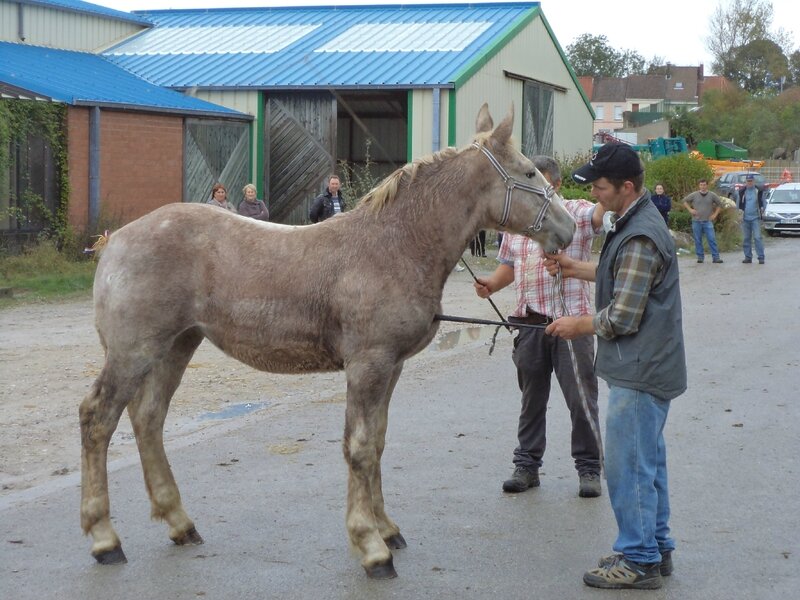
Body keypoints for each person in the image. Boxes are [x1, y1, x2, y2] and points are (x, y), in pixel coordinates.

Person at [543, 143, 686, 590]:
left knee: (627, 466)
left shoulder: (641, 234)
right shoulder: (632, 224)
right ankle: (654, 547)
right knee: (648, 463)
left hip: (640, 371)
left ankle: (639, 559)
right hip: (646, 366)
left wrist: (576, 325)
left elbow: (622, 315)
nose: (597, 196)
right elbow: (618, 272)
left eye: (601, 187)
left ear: (627, 187)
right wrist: (572, 268)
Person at [473, 155, 604, 498]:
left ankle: (589, 469)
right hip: (528, 323)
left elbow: (601, 215)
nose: (536, 192)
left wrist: (608, 188)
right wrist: (490, 283)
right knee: (531, 401)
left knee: (580, 399)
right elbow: (508, 267)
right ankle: (527, 466)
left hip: (571, 324)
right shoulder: (518, 223)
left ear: (556, 186)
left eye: (543, 185)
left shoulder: (574, 211)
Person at [682, 179, 723, 263]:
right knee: (698, 240)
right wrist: (690, 210)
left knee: (712, 239)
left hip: (708, 221)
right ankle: (700, 257)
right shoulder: (694, 195)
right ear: (699, 186)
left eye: (704, 185)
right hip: (696, 221)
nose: (703, 187)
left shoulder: (712, 195)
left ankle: (716, 257)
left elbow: (719, 204)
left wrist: (715, 215)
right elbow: (684, 201)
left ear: (707, 185)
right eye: (701, 185)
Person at [737, 174, 766, 264]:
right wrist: (738, 214)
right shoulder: (741, 191)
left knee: (757, 237)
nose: (749, 182)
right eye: (748, 181)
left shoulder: (759, 190)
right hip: (745, 218)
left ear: (754, 181)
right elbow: (738, 204)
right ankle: (748, 257)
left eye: (751, 181)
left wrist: (763, 209)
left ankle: (761, 257)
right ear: (745, 182)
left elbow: (763, 202)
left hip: (756, 218)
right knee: (746, 238)